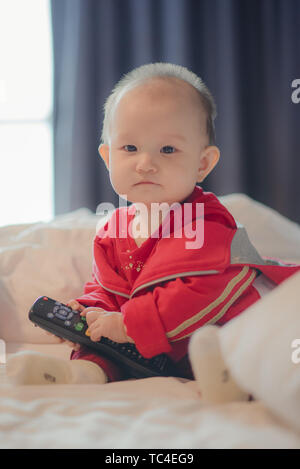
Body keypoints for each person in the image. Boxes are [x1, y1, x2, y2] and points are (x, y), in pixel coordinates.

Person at [7, 62, 300, 386]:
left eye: (168, 149)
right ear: (108, 158)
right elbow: (107, 290)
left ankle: (236, 378)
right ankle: (78, 375)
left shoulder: (206, 224)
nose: (146, 164)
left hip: (232, 328)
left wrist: (127, 325)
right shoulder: (113, 232)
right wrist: (90, 311)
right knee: (103, 347)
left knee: (259, 345)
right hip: (160, 347)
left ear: (202, 163)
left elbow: (196, 294)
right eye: (130, 148)